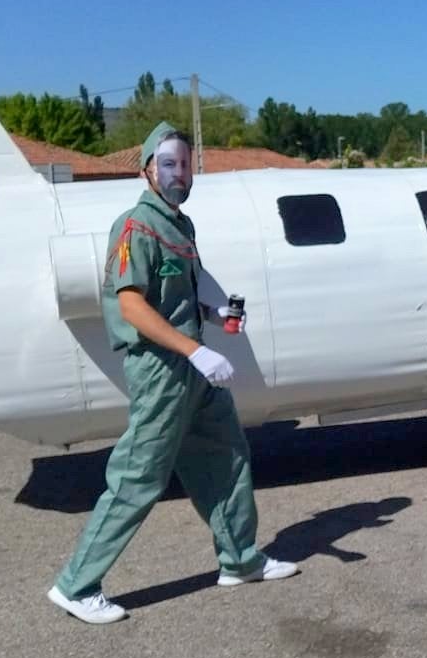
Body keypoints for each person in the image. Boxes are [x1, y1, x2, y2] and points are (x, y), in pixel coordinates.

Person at [48, 122, 297, 625]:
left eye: (185, 163)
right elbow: (133, 306)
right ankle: (75, 585)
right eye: (168, 163)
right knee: (139, 476)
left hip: (192, 367)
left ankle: (240, 560)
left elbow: (184, 289)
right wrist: (194, 350)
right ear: (146, 169)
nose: (179, 172)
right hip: (162, 370)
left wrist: (215, 311)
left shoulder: (182, 226)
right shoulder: (135, 227)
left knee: (226, 456)